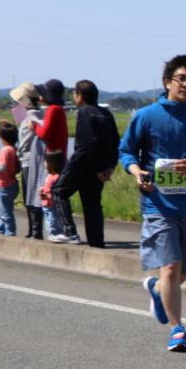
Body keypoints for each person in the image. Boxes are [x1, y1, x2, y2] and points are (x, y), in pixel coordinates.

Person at [118, 54, 186, 352]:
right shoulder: (146, 116)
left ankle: (156, 289)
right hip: (158, 205)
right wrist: (137, 171)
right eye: (182, 78)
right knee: (170, 268)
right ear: (168, 81)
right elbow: (126, 152)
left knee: (183, 272)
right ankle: (177, 328)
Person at [56, 80, 119, 248]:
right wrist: (110, 167)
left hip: (83, 163)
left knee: (58, 192)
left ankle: (70, 232)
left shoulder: (84, 112)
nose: (73, 97)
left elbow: (88, 143)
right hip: (101, 167)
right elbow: (116, 142)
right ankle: (96, 242)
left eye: (74, 94)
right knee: (92, 205)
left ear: (80, 95)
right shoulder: (105, 113)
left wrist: (98, 168)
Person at [32, 79, 80, 244]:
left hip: (54, 159)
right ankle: (59, 229)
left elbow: (44, 134)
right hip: (59, 157)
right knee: (55, 194)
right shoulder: (58, 109)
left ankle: (56, 230)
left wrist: (34, 124)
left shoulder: (53, 109)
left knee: (50, 194)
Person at [9, 82, 48, 240]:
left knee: (31, 196)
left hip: (31, 161)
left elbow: (40, 130)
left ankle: (36, 230)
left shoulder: (34, 115)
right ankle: (33, 229)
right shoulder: (27, 114)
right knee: (28, 197)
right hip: (25, 159)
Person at [0, 121, 21, 236]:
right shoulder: (14, 149)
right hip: (12, 183)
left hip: (4, 185)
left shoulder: (5, 150)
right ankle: (2, 231)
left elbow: (1, 167)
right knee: (3, 211)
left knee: (5, 212)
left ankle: (9, 233)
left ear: (3, 137)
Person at [40, 152, 67, 239]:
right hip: (46, 203)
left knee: (53, 219)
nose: (44, 163)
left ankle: (56, 233)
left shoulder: (56, 177)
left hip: (51, 203)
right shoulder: (49, 176)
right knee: (48, 219)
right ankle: (53, 233)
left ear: (52, 164)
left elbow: (56, 192)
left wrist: (46, 196)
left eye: (46, 162)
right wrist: (42, 191)